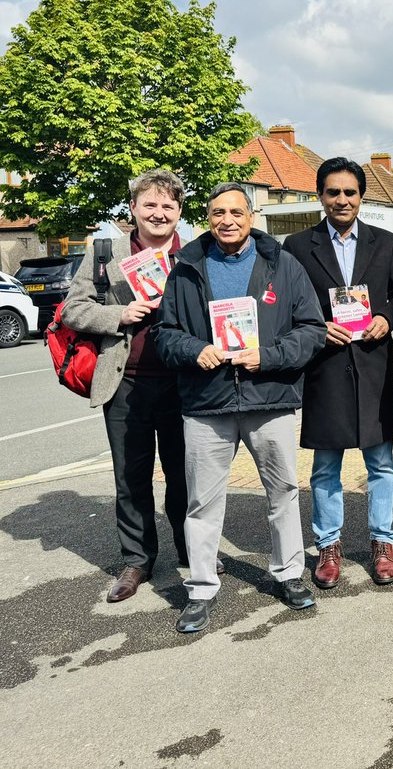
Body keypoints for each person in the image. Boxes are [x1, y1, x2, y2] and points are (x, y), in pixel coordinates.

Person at [155, 183, 326, 633]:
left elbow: (311, 328)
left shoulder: (283, 265)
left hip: (268, 398)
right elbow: (164, 333)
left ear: (251, 217)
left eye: (235, 211)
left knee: (284, 494)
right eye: (217, 212)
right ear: (207, 217)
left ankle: (289, 575)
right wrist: (195, 349)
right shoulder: (186, 268)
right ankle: (201, 589)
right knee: (202, 503)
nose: (226, 219)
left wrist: (267, 356)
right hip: (206, 404)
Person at [62, 170, 191, 603]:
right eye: (150, 205)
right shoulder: (104, 253)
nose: (159, 213)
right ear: (133, 208)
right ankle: (137, 560)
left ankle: (192, 548)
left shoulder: (193, 255)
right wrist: (119, 315)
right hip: (125, 383)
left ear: (179, 212)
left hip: (182, 384)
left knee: (184, 474)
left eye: (168, 206)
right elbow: (72, 310)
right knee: (131, 477)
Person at [283, 157, 393, 587]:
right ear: (320, 196)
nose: (341, 199)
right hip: (326, 368)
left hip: (372, 366)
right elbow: (286, 306)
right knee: (325, 466)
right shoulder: (297, 247)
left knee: (381, 463)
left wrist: (386, 319)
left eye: (349, 192)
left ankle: (382, 542)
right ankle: (329, 546)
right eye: (333, 192)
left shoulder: (387, 243)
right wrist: (316, 327)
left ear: (361, 196)